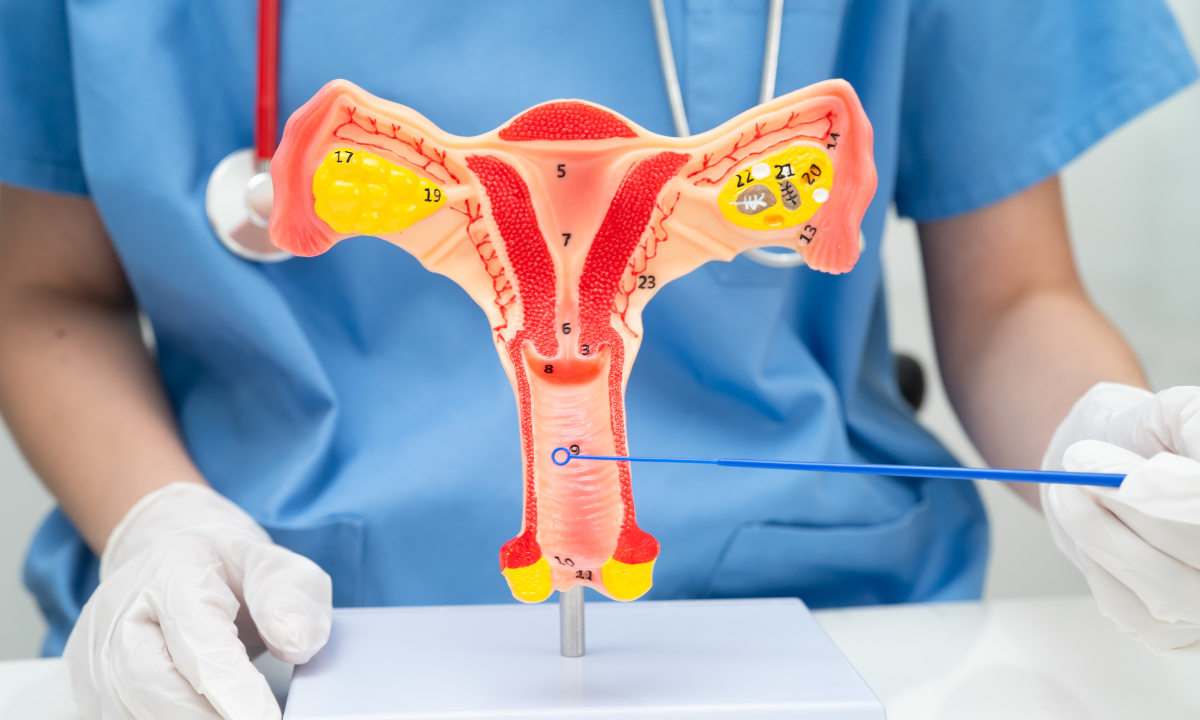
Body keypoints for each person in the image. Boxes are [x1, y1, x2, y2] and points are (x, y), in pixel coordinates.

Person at [1, 0, 1198, 717]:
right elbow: (42, 294)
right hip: (266, 654)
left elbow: (1016, 297)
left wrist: (1099, 450)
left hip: (835, 637)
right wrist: (156, 522)